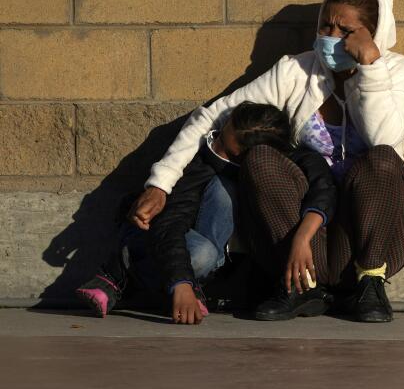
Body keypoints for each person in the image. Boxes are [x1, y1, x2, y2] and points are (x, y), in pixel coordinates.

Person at [126, 0, 404, 323]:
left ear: (372, 34)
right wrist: (160, 183)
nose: (330, 36)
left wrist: (370, 67)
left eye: (344, 30)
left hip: (364, 236)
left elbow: (384, 136)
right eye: (325, 25)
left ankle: (370, 285)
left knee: (382, 160)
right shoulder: (296, 71)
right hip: (304, 238)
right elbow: (214, 115)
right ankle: (300, 288)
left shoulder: (398, 72)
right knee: (261, 157)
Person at [75, 102, 334, 325]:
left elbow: (324, 188)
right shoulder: (200, 163)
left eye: (228, 152)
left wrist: (302, 238)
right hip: (177, 244)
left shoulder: (288, 162)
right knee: (204, 249)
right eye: (219, 136)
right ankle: (119, 270)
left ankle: (135, 276)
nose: (215, 149)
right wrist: (182, 284)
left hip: (229, 268)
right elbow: (172, 222)